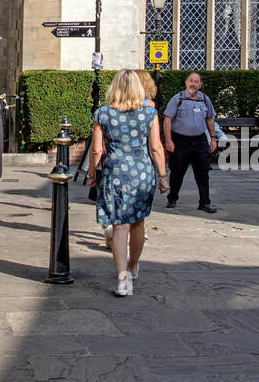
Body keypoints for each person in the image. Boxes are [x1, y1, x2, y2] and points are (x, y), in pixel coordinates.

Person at [88, 69, 168, 297]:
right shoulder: (149, 114)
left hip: (116, 174)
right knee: (138, 223)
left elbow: (97, 151)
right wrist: (163, 177)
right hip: (142, 173)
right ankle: (133, 266)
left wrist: (92, 176)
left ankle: (123, 280)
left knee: (120, 226)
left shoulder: (102, 114)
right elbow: (156, 148)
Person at [162, 72, 218, 213]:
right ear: (186, 83)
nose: (193, 84)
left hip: (200, 141)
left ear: (200, 84)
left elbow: (210, 119)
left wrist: (213, 138)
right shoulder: (177, 99)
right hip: (180, 140)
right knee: (177, 172)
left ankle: (205, 202)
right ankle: (172, 198)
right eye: (191, 81)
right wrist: (168, 140)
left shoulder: (205, 99)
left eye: (196, 81)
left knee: (203, 173)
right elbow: (167, 119)